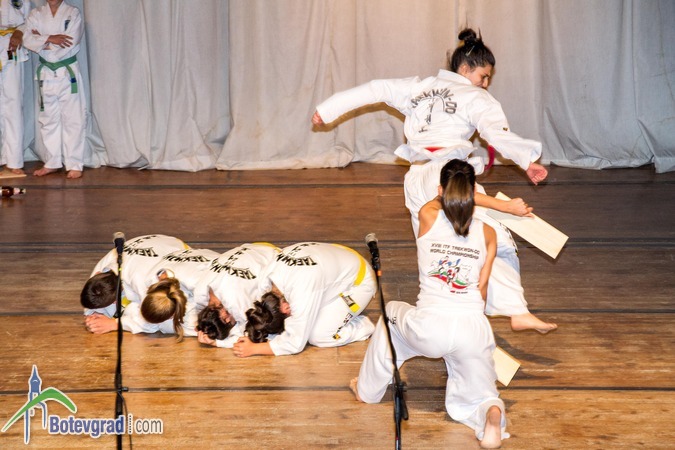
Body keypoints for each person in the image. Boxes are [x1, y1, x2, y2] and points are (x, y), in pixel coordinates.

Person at [312, 28, 556, 334]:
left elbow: (375, 89)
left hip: (417, 178)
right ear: (465, 69)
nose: (486, 83)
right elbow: (495, 132)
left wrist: (327, 109)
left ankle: (436, 315)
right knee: (493, 237)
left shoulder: (418, 87)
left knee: (434, 247)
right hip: (448, 174)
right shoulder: (475, 96)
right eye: (483, 76)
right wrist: (527, 161)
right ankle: (515, 309)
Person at [352, 160, 507, 449]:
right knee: (481, 394)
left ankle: (367, 390)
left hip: (430, 327)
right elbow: (482, 291)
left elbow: (439, 202)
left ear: (440, 190)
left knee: (390, 312)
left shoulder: (428, 214)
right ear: (473, 191)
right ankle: (492, 414)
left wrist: (447, 193)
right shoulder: (488, 233)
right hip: (472, 327)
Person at [232, 242, 377, 357]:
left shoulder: (302, 289)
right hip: (337, 256)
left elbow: (295, 343)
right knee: (308, 319)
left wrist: (255, 349)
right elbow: (262, 316)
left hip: (360, 281)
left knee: (318, 335)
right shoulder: (267, 280)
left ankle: (363, 326)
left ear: (286, 309)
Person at [85, 246, 219, 342]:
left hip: (193, 257)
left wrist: (114, 324)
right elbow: (149, 319)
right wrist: (95, 314)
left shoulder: (202, 293)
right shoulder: (151, 277)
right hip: (177, 251)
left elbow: (150, 325)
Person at [22, 0, 85, 179]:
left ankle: (74, 163)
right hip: (46, 74)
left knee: (73, 119)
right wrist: (50, 39)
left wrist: (41, 40)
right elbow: (27, 39)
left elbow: (70, 42)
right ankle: (52, 162)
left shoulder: (73, 13)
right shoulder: (36, 14)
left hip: (67, 72)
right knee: (48, 119)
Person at [81, 234, 190, 318]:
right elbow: (91, 303)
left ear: (115, 300)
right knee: (116, 309)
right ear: (97, 274)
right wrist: (94, 314)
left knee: (130, 311)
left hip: (181, 250)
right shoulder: (108, 260)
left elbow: (151, 317)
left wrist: (114, 324)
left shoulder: (141, 280)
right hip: (160, 241)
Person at [195, 242, 281, 349]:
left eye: (229, 323)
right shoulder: (199, 290)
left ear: (226, 319)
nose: (232, 322)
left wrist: (216, 343)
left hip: (274, 254)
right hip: (251, 246)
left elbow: (246, 337)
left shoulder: (236, 303)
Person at [0, 0, 31, 176]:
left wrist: (20, 32)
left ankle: (13, 160)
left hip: (10, 47)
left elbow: (29, 20)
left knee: (13, 105)